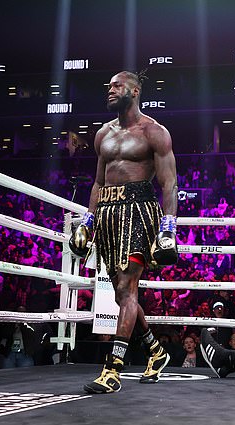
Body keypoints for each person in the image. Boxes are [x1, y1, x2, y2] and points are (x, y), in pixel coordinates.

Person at [69, 70, 179, 394]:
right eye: (109, 86)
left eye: (116, 86)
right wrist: (87, 222)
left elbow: (169, 183)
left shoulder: (154, 132)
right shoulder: (103, 134)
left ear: (134, 90)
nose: (111, 90)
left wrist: (168, 226)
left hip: (138, 213)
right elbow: (99, 183)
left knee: (129, 288)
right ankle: (156, 352)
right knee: (121, 292)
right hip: (106, 214)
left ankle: (113, 369)